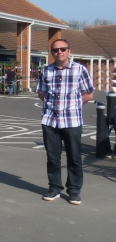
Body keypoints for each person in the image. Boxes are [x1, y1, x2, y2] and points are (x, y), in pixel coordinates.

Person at [36, 39, 93, 205]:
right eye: (55, 50)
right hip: (50, 120)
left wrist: (73, 105)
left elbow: (88, 93)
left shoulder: (80, 70)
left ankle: (74, 190)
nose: (59, 52)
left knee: (74, 157)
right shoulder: (46, 71)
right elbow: (41, 93)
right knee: (53, 157)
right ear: (52, 53)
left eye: (62, 49)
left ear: (69, 50)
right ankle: (54, 188)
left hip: (72, 120)